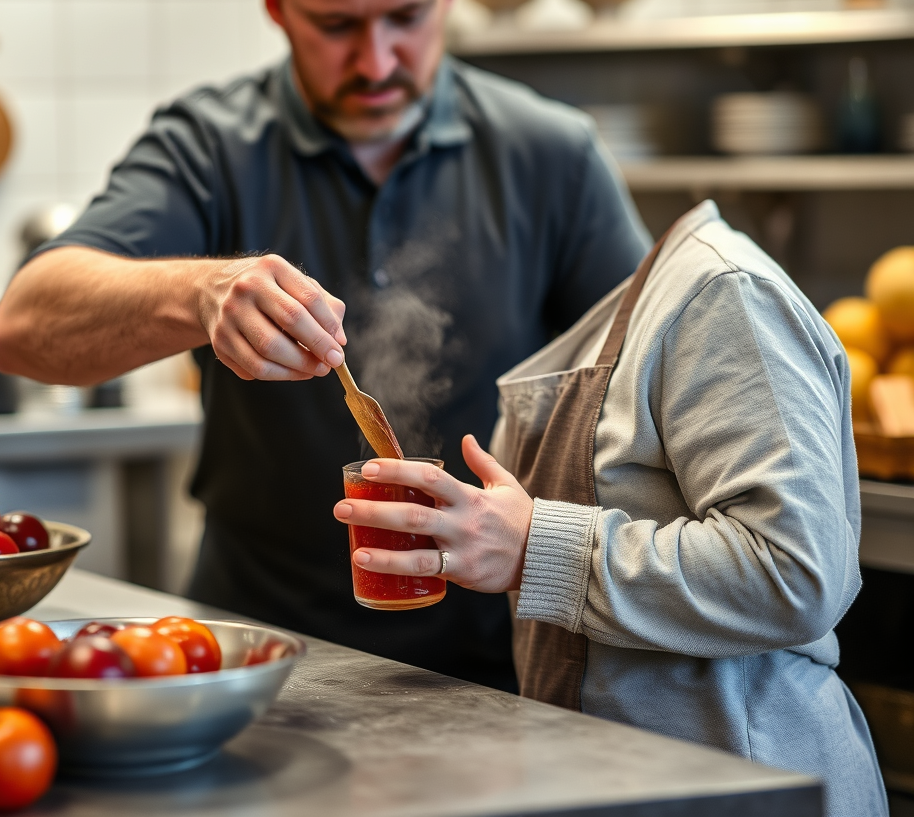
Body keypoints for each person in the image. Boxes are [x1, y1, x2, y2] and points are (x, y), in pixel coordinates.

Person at [0, 0, 649, 692]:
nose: (376, 61)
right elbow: (25, 327)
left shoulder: (552, 156)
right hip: (254, 665)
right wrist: (202, 291)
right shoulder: (208, 146)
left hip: (510, 670)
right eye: (335, 23)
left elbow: (651, 389)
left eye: (408, 16)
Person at [332, 200, 887, 817]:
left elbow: (795, 572)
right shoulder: (645, 307)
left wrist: (532, 547)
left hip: (746, 786)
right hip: (642, 784)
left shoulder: (727, 297)